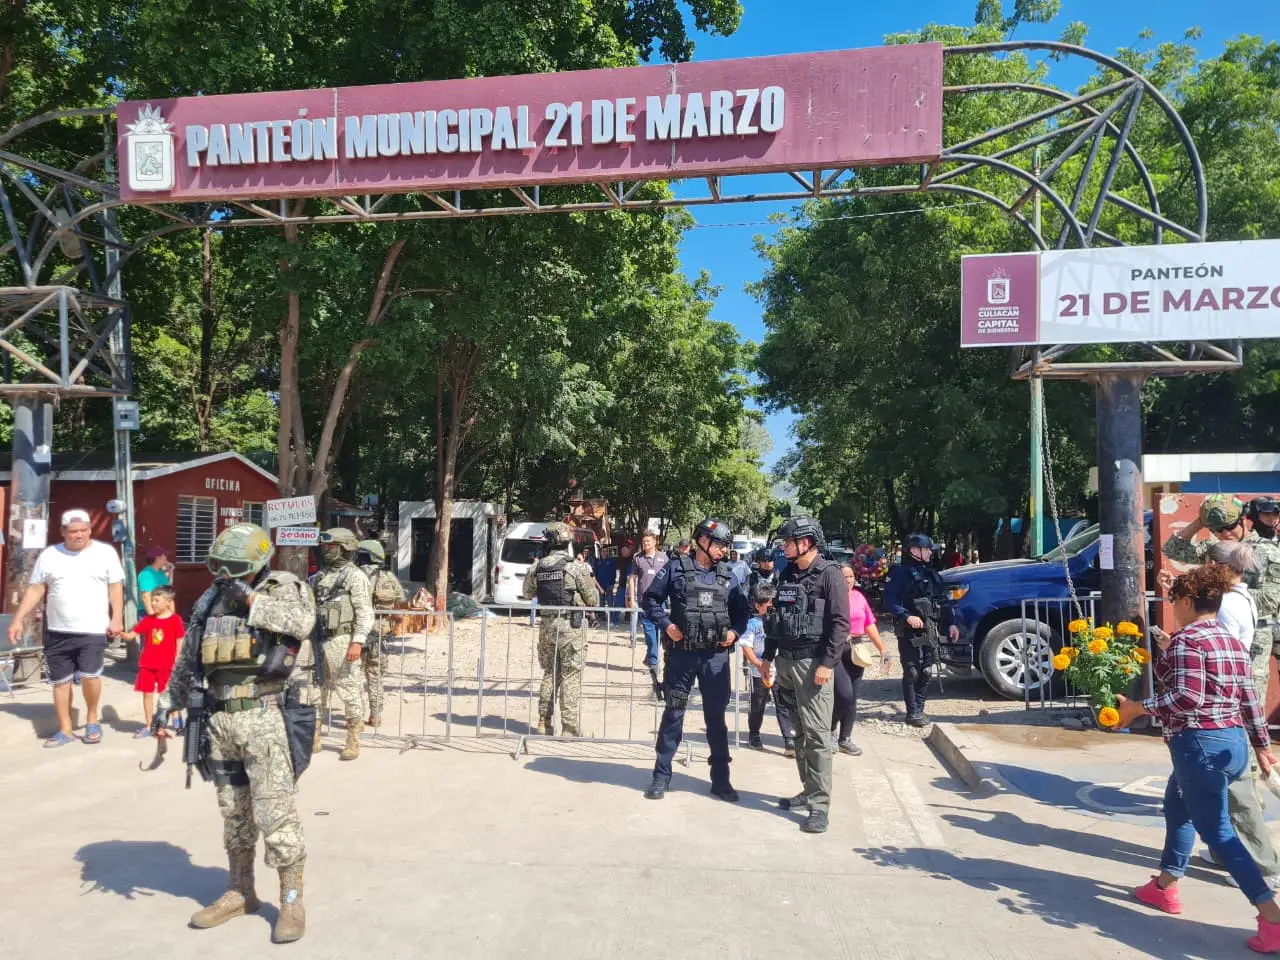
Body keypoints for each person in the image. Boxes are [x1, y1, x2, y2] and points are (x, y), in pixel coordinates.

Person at [153, 522, 317, 944]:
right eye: (222, 567)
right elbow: (190, 652)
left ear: (260, 562)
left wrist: (252, 600)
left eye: (237, 568)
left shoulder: (285, 587)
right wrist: (168, 704)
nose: (228, 575)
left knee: (275, 812)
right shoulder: (210, 596)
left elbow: (301, 622)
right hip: (219, 718)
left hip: (265, 715)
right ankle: (240, 890)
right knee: (233, 810)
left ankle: (292, 899)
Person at [1113, 565, 1280, 953]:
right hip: (1231, 742)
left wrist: (1138, 708)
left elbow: (1187, 698)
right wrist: (1261, 745)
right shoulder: (1230, 641)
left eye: (1174, 601)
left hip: (1199, 745)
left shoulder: (1190, 641)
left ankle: (1270, 915)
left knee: (1219, 832)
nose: (1173, 609)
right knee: (1177, 806)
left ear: (1188, 602)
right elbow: (1249, 701)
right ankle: (1164, 886)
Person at [642, 518, 748, 802]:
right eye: (720, 545)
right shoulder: (675, 567)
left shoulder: (729, 575)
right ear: (703, 540)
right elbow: (650, 600)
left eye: (725, 547)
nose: (723, 551)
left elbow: (743, 612)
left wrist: (734, 633)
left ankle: (721, 780)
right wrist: (666, 625)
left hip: (715, 657)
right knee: (673, 714)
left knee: (716, 718)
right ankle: (661, 776)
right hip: (682, 656)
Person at [761, 515, 850, 834]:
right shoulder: (787, 574)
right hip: (785, 663)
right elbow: (777, 618)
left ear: (807, 542)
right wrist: (767, 658)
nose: (784, 546)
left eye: (788, 541)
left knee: (816, 736)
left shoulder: (830, 575)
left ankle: (820, 806)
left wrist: (828, 663)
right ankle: (808, 790)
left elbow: (841, 625)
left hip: (813, 666)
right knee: (797, 734)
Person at [8, 509, 124, 747]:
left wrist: (117, 618)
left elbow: (115, 588)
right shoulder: (50, 555)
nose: (79, 535)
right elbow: (36, 589)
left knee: (91, 677)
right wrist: (18, 618)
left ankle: (92, 719)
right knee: (60, 682)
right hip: (58, 629)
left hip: (92, 628)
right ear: (62, 532)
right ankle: (65, 730)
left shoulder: (105, 553)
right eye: (73, 531)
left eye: (84, 530)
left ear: (90, 529)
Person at [523, 522, 598, 736]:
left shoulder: (538, 567)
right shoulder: (575, 566)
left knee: (549, 674)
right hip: (571, 627)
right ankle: (569, 728)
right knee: (570, 676)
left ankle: (543, 722)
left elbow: (528, 594)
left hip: (547, 627)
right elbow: (592, 599)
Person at [309, 528, 374, 761]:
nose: (326, 550)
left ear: (344, 548)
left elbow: (365, 612)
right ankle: (314, 736)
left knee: (348, 690)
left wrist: (358, 641)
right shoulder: (320, 576)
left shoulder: (355, 576)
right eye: (325, 547)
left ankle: (353, 740)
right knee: (315, 691)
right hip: (318, 641)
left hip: (342, 640)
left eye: (331, 546)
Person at [884, 534, 958, 727]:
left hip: (930, 627)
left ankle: (919, 708)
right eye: (927, 549)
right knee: (912, 671)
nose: (930, 552)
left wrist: (951, 623)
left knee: (926, 670)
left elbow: (944, 601)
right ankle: (912, 711)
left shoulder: (932, 573)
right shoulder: (900, 572)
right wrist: (906, 616)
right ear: (915, 551)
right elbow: (890, 601)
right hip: (908, 629)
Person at [832, 562, 888, 757]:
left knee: (852, 697)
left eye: (850, 577)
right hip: (836, 649)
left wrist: (882, 649)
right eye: (843, 576)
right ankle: (830, 730)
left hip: (857, 649)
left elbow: (869, 625)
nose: (847, 580)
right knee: (843, 694)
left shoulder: (859, 597)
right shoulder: (829, 598)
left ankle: (845, 739)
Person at [736, 582, 795, 753]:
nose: (771, 607)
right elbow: (746, 646)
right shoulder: (752, 624)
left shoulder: (780, 620)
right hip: (759, 671)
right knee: (758, 704)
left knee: (783, 704)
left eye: (773, 603)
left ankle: (789, 738)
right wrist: (757, 663)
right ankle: (754, 734)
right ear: (757, 605)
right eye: (767, 604)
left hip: (780, 669)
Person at [355, 539, 405, 728]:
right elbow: (400, 602)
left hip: (356, 636)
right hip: (379, 635)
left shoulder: (355, 576)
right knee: (375, 677)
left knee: (355, 677)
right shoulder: (389, 578)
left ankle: (356, 717)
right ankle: (376, 716)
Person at [122, 584, 184, 737]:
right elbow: (132, 634)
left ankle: (177, 721)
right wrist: (121, 633)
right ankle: (149, 725)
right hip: (147, 663)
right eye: (152, 600)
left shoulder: (176, 620)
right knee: (147, 694)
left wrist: (178, 656)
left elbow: (180, 639)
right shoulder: (149, 620)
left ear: (168, 602)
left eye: (157, 600)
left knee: (168, 693)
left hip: (167, 664)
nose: (153, 603)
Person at [627, 531, 668, 700]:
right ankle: (653, 661)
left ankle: (651, 656)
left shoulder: (664, 558)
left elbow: (670, 578)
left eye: (649, 541)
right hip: (645, 602)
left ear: (655, 542)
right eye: (644, 542)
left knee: (660, 633)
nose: (646, 544)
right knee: (650, 633)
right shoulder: (638, 558)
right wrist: (632, 598)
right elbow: (632, 579)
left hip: (661, 602)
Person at [137, 545, 173, 617]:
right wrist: (152, 616)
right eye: (164, 555)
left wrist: (171, 573)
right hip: (148, 613)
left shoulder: (161, 573)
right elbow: (146, 597)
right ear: (157, 557)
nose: (166, 558)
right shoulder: (146, 574)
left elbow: (168, 591)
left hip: (162, 611)